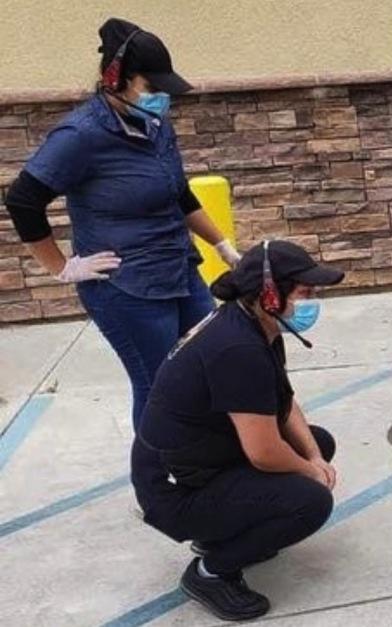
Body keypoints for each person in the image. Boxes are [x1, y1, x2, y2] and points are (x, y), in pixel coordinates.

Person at [3, 17, 240, 431]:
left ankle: (203, 470)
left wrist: (222, 244)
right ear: (114, 79)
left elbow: (178, 192)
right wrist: (61, 266)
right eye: (152, 89)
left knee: (213, 362)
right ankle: (157, 485)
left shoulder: (154, 124)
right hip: (127, 287)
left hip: (177, 269)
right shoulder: (81, 135)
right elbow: (23, 200)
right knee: (160, 387)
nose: (162, 99)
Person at [131, 240, 345, 621]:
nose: (312, 302)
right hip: (174, 491)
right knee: (311, 500)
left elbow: (281, 401)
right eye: (305, 292)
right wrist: (310, 471)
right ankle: (211, 571)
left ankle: (230, 529)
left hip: (200, 459)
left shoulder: (255, 323)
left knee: (318, 442)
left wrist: (312, 455)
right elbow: (263, 452)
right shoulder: (238, 349)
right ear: (268, 293)